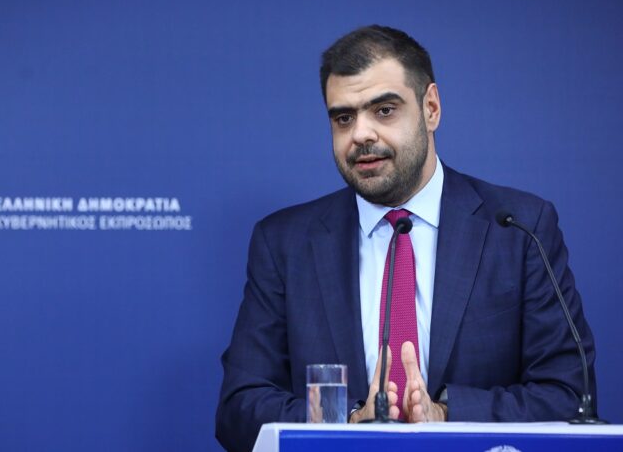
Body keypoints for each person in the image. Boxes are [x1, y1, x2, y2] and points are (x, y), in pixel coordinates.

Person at [215, 25, 597, 452]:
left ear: (431, 108)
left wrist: (446, 416)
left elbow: (568, 395)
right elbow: (239, 407)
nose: (360, 134)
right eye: (343, 118)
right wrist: (347, 422)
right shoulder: (285, 243)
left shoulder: (518, 228)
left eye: (384, 110)